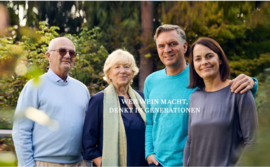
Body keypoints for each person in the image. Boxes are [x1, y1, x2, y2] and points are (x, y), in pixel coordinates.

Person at [144, 24, 258, 167]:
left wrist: (252, 83)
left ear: (185, 47)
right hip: (158, 163)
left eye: (172, 44)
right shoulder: (151, 81)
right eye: (161, 46)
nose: (167, 50)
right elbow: (150, 122)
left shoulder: (201, 78)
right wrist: (149, 152)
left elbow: (227, 93)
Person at [12, 37, 90, 167]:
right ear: (48, 56)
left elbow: (89, 130)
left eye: (72, 53)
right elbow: (21, 130)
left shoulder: (82, 89)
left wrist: (88, 162)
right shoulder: (34, 86)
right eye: (62, 51)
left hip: (79, 163)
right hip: (45, 163)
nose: (67, 56)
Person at [183, 37, 258, 166]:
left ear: (220, 59)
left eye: (209, 56)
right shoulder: (194, 97)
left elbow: (253, 142)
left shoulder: (239, 91)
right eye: (198, 59)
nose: (204, 62)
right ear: (193, 65)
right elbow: (190, 141)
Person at [82, 49, 148, 167]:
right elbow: (88, 141)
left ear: (132, 72)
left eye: (126, 67)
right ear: (109, 73)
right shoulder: (99, 100)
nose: (122, 71)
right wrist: (103, 163)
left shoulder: (141, 98)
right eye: (117, 67)